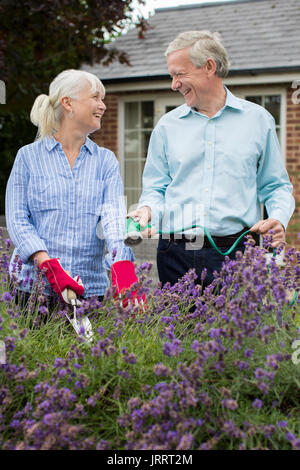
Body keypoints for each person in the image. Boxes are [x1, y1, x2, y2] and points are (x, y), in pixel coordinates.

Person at [131, 31, 295, 288]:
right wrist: (147, 209)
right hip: (174, 252)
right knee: (178, 329)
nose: (174, 84)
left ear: (209, 66)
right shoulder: (166, 126)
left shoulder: (258, 121)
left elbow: (276, 186)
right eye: (171, 76)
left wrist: (278, 219)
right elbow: (156, 187)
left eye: (179, 74)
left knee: (235, 329)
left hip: (236, 251)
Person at [5, 69, 140, 309]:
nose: (103, 106)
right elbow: (17, 219)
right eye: (96, 97)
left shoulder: (105, 161)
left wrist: (123, 268)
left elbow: (113, 219)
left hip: (88, 289)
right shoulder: (28, 157)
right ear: (67, 103)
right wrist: (48, 266)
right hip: (33, 288)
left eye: (103, 99)